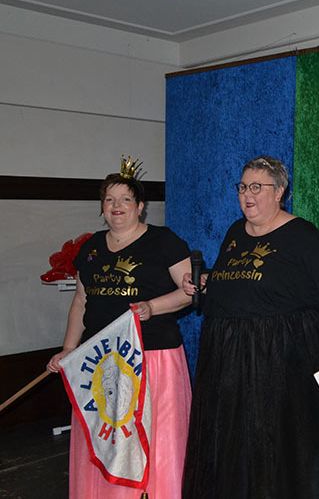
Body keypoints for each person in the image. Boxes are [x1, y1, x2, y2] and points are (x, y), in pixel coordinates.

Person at [180, 156, 319, 498]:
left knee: (277, 446)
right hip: (229, 362)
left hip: (282, 362)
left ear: (280, 192)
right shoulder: (234, 232)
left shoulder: (303, 235)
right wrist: (207, 282)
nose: (248, 195)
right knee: (235, 447)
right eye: (243, 187)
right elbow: (239, 279)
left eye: (257, 187)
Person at [47, 161, 193, 498]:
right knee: (105, 438)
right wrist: (68, 349)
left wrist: (152, 307)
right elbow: (81, 301)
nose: (117, 206)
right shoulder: (91, 248)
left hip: (152, 357)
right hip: (100, 361)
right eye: (109, 199)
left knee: (150, 435)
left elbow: (189, 292)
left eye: (126, 199)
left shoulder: (164, 241)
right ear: (102, 207)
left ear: (140, 206)